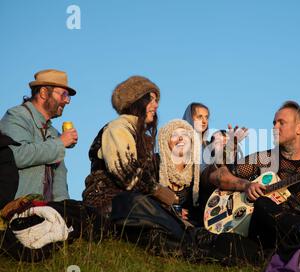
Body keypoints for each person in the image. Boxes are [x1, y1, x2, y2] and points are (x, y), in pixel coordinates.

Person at [203, 101, 300, 250]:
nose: (274, 128)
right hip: (264, 233)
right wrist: (246, 185)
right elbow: (215, 175)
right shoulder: (265, 159)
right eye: (274, 123)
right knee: (261, 205)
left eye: (281, 123)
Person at [82, 75, 176, 218]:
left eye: (156, 100)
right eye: (150, 99)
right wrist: (160, 192)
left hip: (130, 204)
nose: (156, 105)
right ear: (136, 102)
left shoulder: (141, 135)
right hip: (108, 204)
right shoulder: (118, 127)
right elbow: (126, 173)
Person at [0, 69, 78, 201]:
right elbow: (17, 155)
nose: (67, 101)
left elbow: (59, 179)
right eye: (63, 94)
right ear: (43, 93)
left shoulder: (52, 132)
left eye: (68, 96)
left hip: (47, 215)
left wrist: (64, 210)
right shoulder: (17, 116)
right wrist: (60, 143)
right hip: (16, 211)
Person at [157, 119, 202, 225]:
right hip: (160, 222)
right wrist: (171, 211)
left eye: (185, 134)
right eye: (174, 135)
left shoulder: (195, 174)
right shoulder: (154, 163)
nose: (181, 138)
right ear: (166, 141)